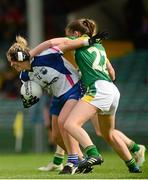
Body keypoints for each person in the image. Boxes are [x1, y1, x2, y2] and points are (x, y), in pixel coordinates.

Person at [28, 18, 145, 173]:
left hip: (97, 90)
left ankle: (93, 154)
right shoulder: (99, 46)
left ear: (76, 33)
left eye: (69, 35)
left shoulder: (80, 40)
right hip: (111, 89)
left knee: (70, 124)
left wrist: (31, 54)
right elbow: (112, 73)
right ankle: (133, 167)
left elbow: (52, 43)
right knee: (107, 133)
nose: (68, 37)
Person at [6, 35, 97, 174]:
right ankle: (81, 160)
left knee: (63, 122)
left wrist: (85, 41)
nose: (12, 65)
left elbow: (65, 43)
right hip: (57, 97)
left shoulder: (45, 55)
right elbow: (36, 90)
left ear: (20, 57)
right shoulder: (24, 76)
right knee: (56, 137)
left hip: (73, 88)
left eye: (13, 61)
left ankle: (72, 162)